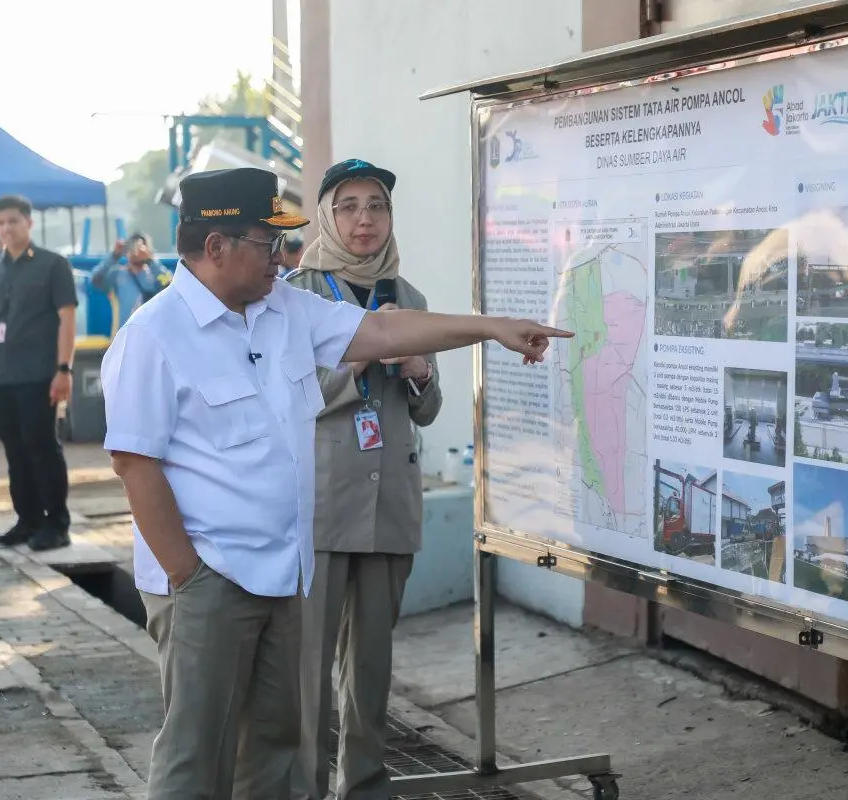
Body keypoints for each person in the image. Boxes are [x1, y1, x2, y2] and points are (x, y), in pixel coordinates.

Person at [100, 166, 568, 800]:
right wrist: (190, 578)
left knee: (274, 750)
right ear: (216, 247)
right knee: (195, 758)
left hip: (283, 575)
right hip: (207, 582)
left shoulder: (282, 309)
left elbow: (381, 333)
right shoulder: (152, 337)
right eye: (268, 245)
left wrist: (492, 327)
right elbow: (135, 464)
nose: (281, 258)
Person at [285, 159, 442, 800]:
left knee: (372, 665)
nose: (364, 219)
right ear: (326, 216)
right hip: (322, 504)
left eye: (375, 205)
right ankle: (301, 787)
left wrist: (421, 374)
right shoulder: (296, 296)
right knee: (306, 667)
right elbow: (288, 393)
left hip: (389, 505)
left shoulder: (410, 299)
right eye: (347, 206)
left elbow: (427, 410)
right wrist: (365, 360)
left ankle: (366, 785)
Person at [0, 195, 76, 552]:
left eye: (12, 221)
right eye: (0, 223)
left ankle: (57, 523)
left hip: (38, 373)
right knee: (15, 451)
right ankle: (28, 520)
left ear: (28, 223)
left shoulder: (52, 265)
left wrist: (64, 369)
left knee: (42, 447)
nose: (6, 229)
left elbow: (67, 319)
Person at [91, 232, 173, 329]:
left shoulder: (155, 275)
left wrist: (150, 260)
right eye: (132, 246)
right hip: (124, 334)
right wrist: (114, 256)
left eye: (140, 247)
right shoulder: (117, 275)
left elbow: (169, 283)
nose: (135, 251)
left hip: (150, 334)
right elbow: (95, 279)